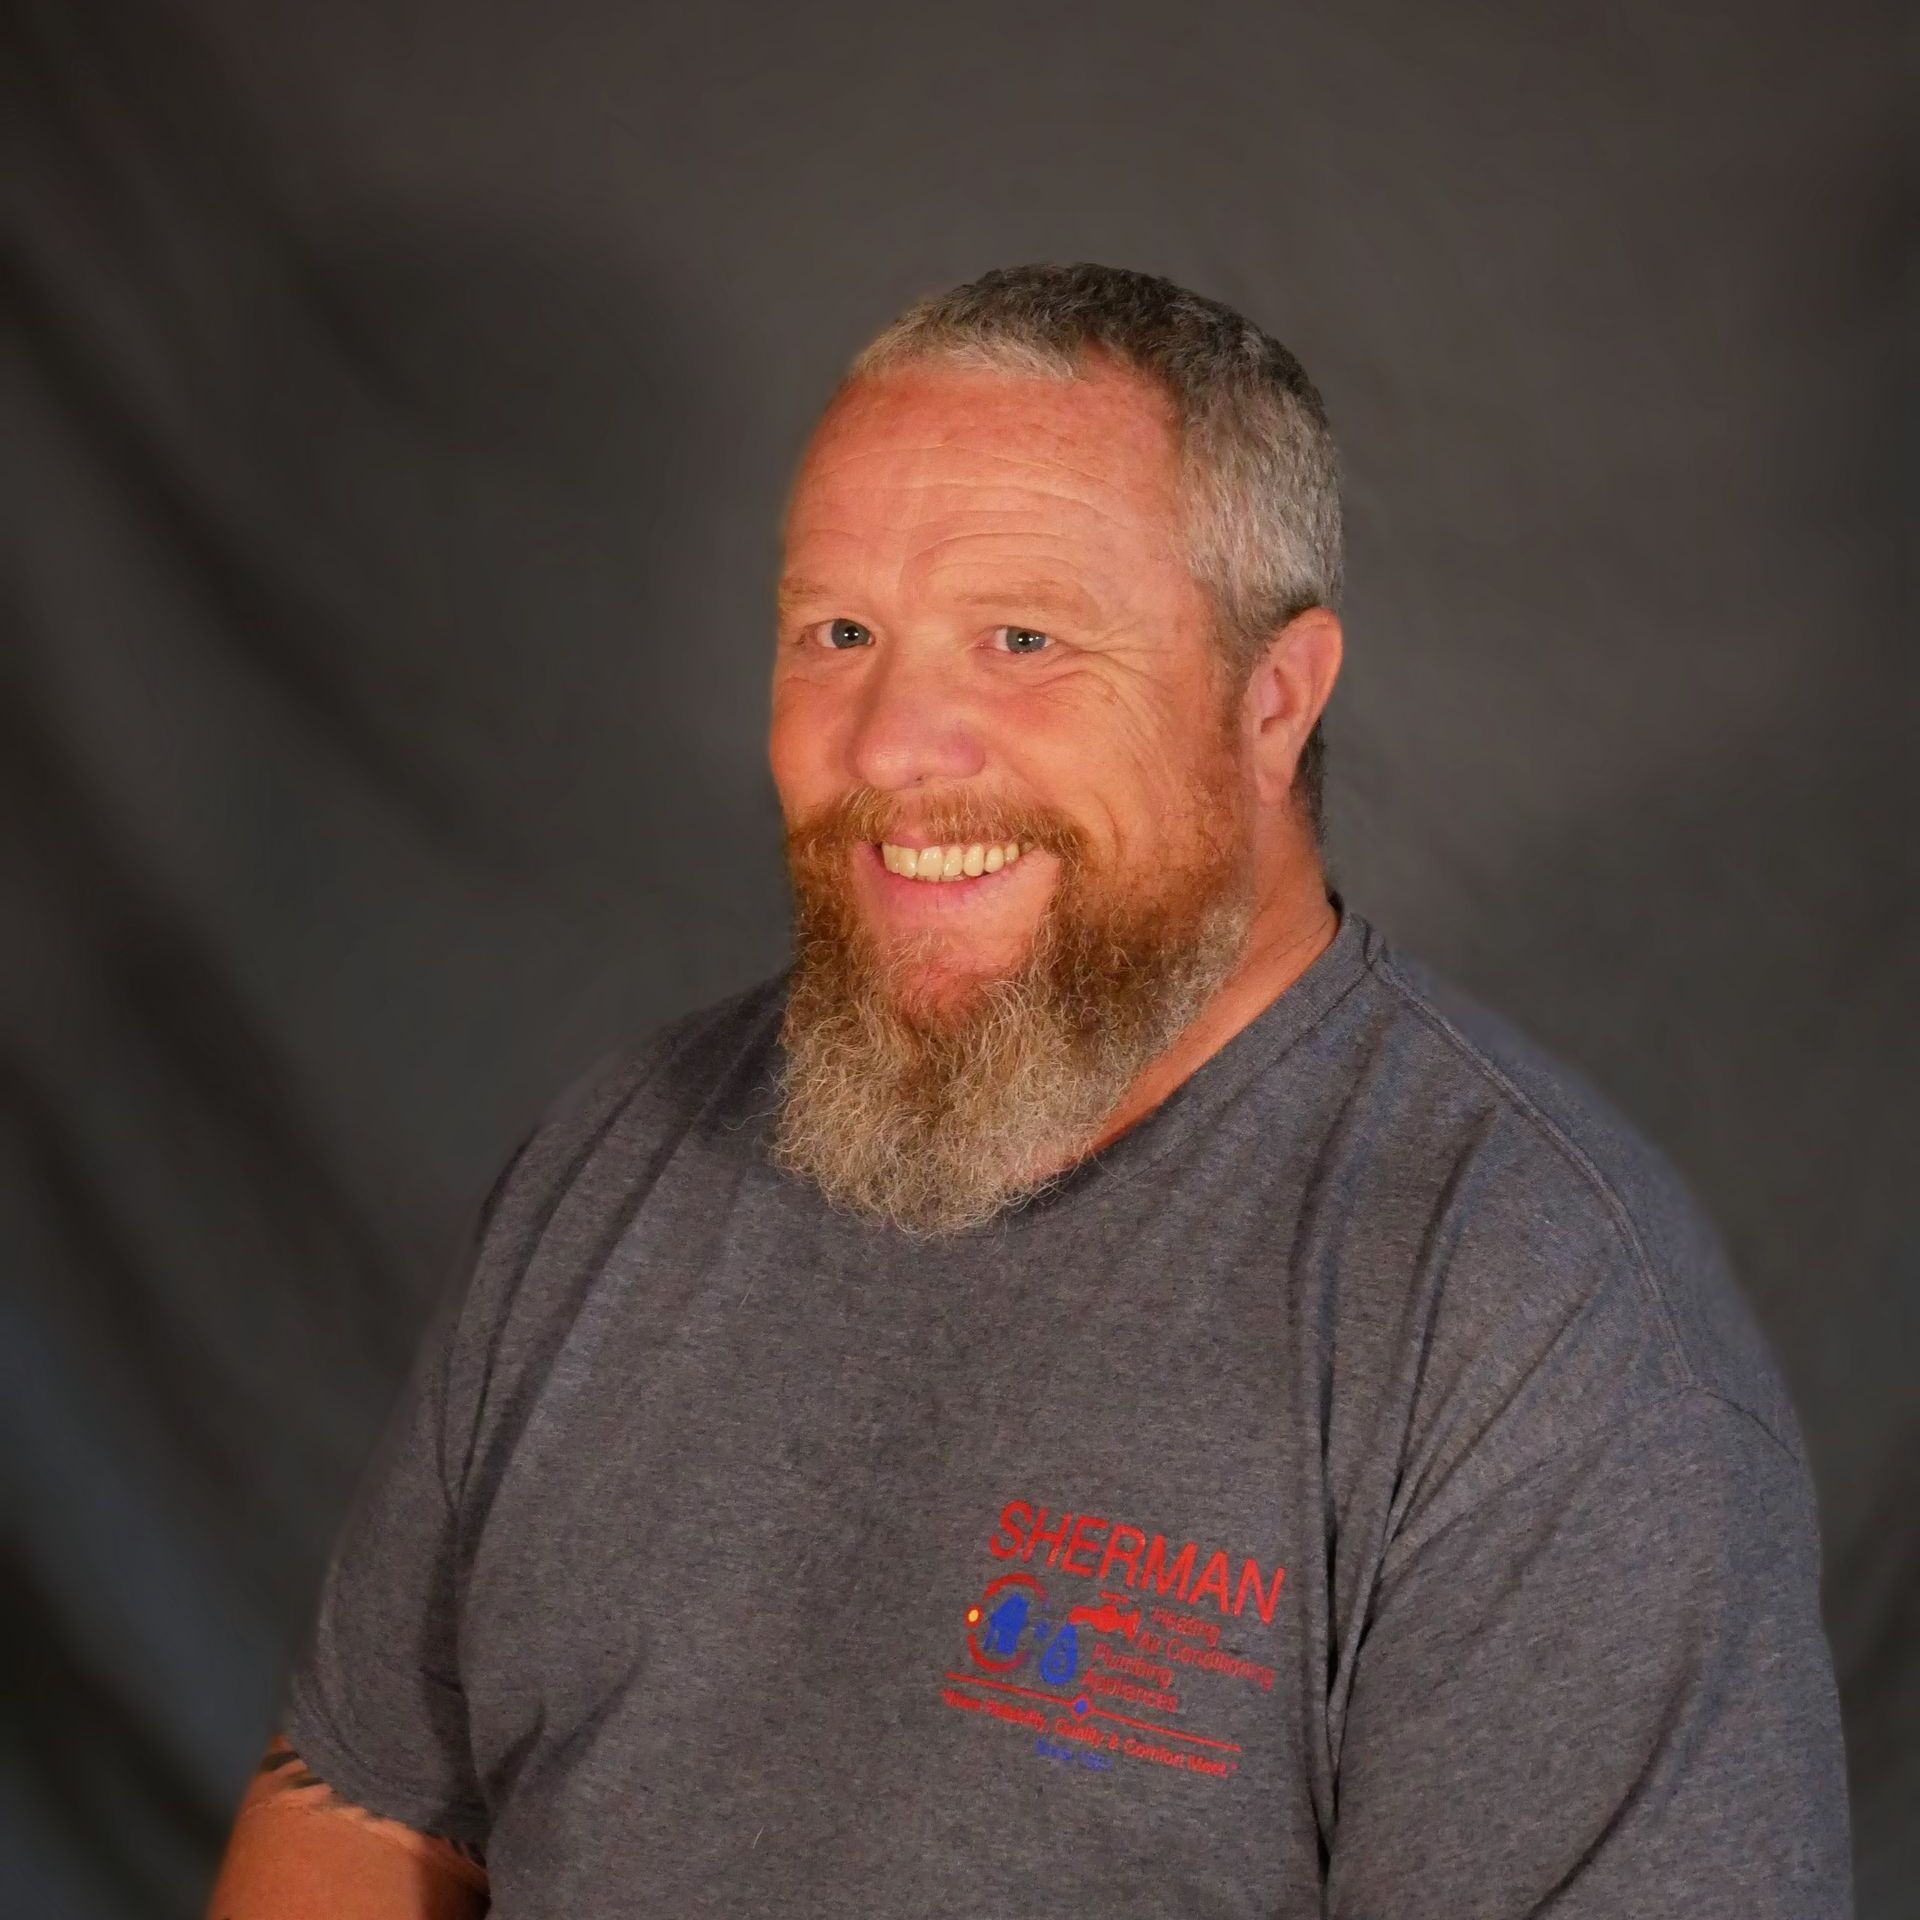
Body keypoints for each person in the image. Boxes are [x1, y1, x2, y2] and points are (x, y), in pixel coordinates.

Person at [205, 262, 1852, 1918]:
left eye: (1024, 638)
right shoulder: (616, 1162)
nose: (896, 742)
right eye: (836, 633)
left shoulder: (1536, 1329)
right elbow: (366, 1806)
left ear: (1273, 700)